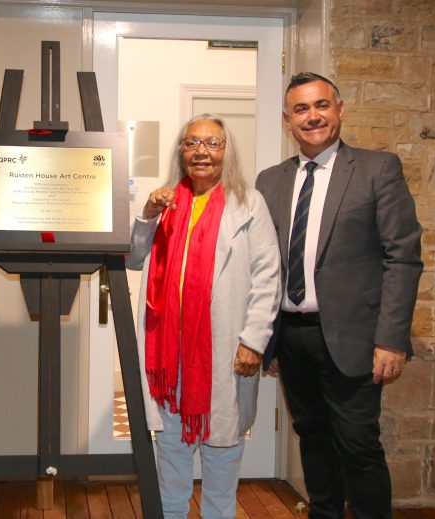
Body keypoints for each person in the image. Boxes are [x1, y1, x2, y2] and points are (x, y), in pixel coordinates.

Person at [255, 72, 423, 519]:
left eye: (321, 105)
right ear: (286, 120)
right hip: (292, 338)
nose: (313, 117)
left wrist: (391, 339)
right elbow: (263, 266)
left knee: (359, 446)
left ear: (340, 110)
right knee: (312, 437)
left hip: (356, 340)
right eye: (301, 109)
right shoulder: (269, 181)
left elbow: (403, 258)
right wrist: (265, 337)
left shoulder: (377, 169)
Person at [127, 114, 281, 519]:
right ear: (180, 151)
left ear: (226, 152)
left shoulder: (249, 203)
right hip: (169, 363)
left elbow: (268, 278)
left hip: (224, 358)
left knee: (221, 464)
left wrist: (253, 341)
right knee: (172, 466)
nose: (201, 151)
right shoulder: (165, 202)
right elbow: (134, 257)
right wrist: (146, 214)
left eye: (213, 143)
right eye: (192, 142)